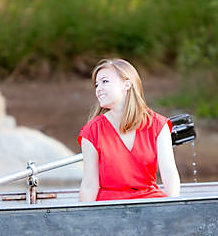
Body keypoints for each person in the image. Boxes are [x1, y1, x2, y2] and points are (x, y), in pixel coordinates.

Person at [77, 58, 180, 202]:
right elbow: (89, 185)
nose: (98, 89)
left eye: (105, 81)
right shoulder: (91, 132)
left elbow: (169, 173)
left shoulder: (158, 125)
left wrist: (174, 208)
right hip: (108, 207)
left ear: (127, 84)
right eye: (96, 84)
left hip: (149, 202)